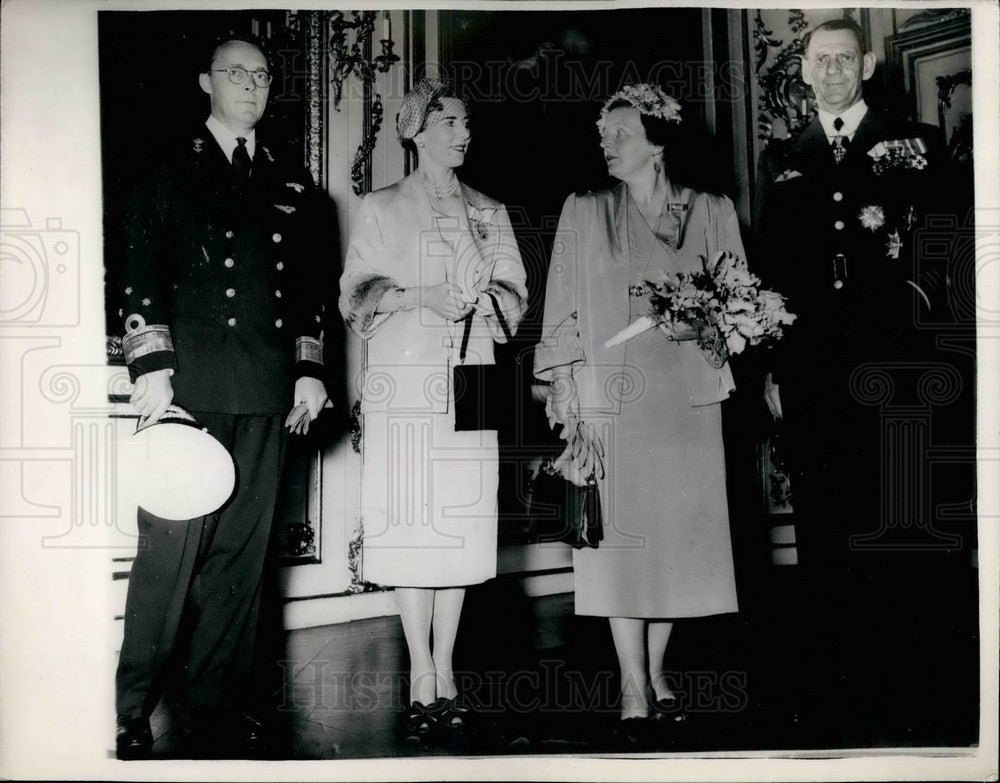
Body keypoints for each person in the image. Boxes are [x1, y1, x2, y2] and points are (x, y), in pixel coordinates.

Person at [753, 18, 976, 731]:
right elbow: (772, 268)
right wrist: (773, 366)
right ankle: (836, 687)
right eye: (820, 61)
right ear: (804, 67)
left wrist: (920, 313)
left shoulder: (917, 143)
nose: (832, 72)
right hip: (814, 364)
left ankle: (914, 685)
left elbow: (946, 243)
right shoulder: (783, 156)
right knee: (826, 518)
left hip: (897, 361)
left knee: (900, 516)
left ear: (869, 63)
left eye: (845, 59)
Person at [114, 34, 330, 759]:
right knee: (169, 556)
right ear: (206, 81)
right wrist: (152, 365)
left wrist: (311, 369)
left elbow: (310, 293)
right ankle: (132, 705)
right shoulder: (168, 168)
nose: (251, 84)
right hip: (191, 388)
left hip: (267, 390)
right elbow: (139, 272)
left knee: (244, 561)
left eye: (263, 75)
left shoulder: (294, 183)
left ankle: (217, 704)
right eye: (236, 72)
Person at [534, 83, 741, 743]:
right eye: (603, 133)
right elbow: (562, 308)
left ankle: (657, 670)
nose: (606, 141)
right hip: (612, 402)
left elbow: (737, 300)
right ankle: (630, 682)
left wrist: (708, 318)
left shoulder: (711, 210)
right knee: (622, 544)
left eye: (620, 131)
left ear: (656, 142)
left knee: (674, 541)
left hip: (685, 399)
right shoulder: (584, 210)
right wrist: (565, 389)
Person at [339, 76, 527, 741]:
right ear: (416, 131)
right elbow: (354, 294)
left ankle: (446, 667)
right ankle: (420, 671)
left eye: (466, 122)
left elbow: (514, 296)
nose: (463, 132)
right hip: (407, 381)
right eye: (449, 122)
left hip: (477, 380)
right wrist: (421, 296)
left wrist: (489, 291)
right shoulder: (383, 206)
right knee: (413, 523)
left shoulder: (490, 209)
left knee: (461, 527)